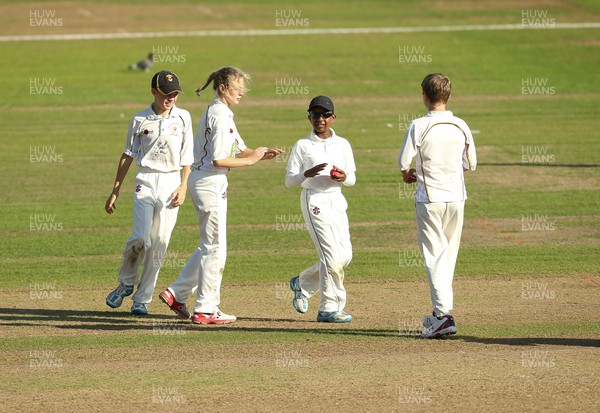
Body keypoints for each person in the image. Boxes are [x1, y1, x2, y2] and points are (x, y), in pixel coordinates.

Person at [159, 66, 283, 324]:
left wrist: (258, 155)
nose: (241, 94)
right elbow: (218, 159)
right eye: (237, 89)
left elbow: (238, 149)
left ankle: (177, 293)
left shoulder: (223, 112)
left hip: (208, 182)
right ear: (223, 88)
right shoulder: (219, 114)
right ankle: (205, 308)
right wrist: (250, 163)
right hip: (209, 181)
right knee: (215, 247)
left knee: (209, 244)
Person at [105, 70, 194, 315]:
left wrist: (183, 186)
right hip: (145, 179)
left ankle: (142, 299)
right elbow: (127, 155)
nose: (171, 98)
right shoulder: (139, 119)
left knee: (160, 244)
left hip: (171, 182)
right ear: (154, 91)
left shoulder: (184, 118)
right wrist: (115, 191)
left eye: (175, 94)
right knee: (141, 239)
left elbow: (188, 157)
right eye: (166, 94)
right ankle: (126, 282)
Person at [397, 73, 477, 338]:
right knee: (448, 254)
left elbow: (403, 163)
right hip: (456, 198)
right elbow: (470, 164)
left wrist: (407, 174)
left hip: (429, 199)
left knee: (434, 256)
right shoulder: (461, 124)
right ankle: (439, 314)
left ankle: (442, 316)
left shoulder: (418, 125)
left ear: (424, 96)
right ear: (449, 96)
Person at [285, 96, 357, 323]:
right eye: (315, 115)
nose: (320, 119)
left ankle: (302, 284)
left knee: (344, 257)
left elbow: (352, 178)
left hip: (336, 200)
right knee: (331, 257)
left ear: (333, 117)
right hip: (314, 200)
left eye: (325, 115)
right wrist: (306, 174)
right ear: (309, 117)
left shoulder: (343, 144)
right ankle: (329, 308)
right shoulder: (302, 145)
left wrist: (343, 177)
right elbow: (289, 181)